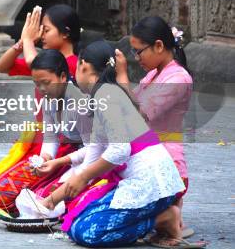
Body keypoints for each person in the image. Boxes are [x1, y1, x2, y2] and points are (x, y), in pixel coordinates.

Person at [27, 42, 202, 248]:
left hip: (152, 184)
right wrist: (51, 200)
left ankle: (162, 219)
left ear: (83, 66)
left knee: (87, 233)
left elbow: (120, 150)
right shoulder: (100, 96)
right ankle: (160, 217)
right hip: (141, 183)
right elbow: (92, 156)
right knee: (76, 222)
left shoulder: (107, 96)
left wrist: (82, 177)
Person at [0, 4, 81, 211]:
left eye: (46, 30)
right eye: (40, 30)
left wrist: (29, 41)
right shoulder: (43, 64)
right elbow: (1, 66)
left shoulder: (75, 64)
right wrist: (21, 44)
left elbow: (34, 62)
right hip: (41, 144)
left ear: (66, 33)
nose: (42, 35)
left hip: (66, 148)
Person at [115, 16, 194, 239]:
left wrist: (122, 77)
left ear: (159, 46)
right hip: (146, 157)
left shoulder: (179, 78)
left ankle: (171, 217)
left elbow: (138, 114)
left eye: (139, 51)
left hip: (167, 166)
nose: (136, 58)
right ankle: (167, 217)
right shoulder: (153, 74)